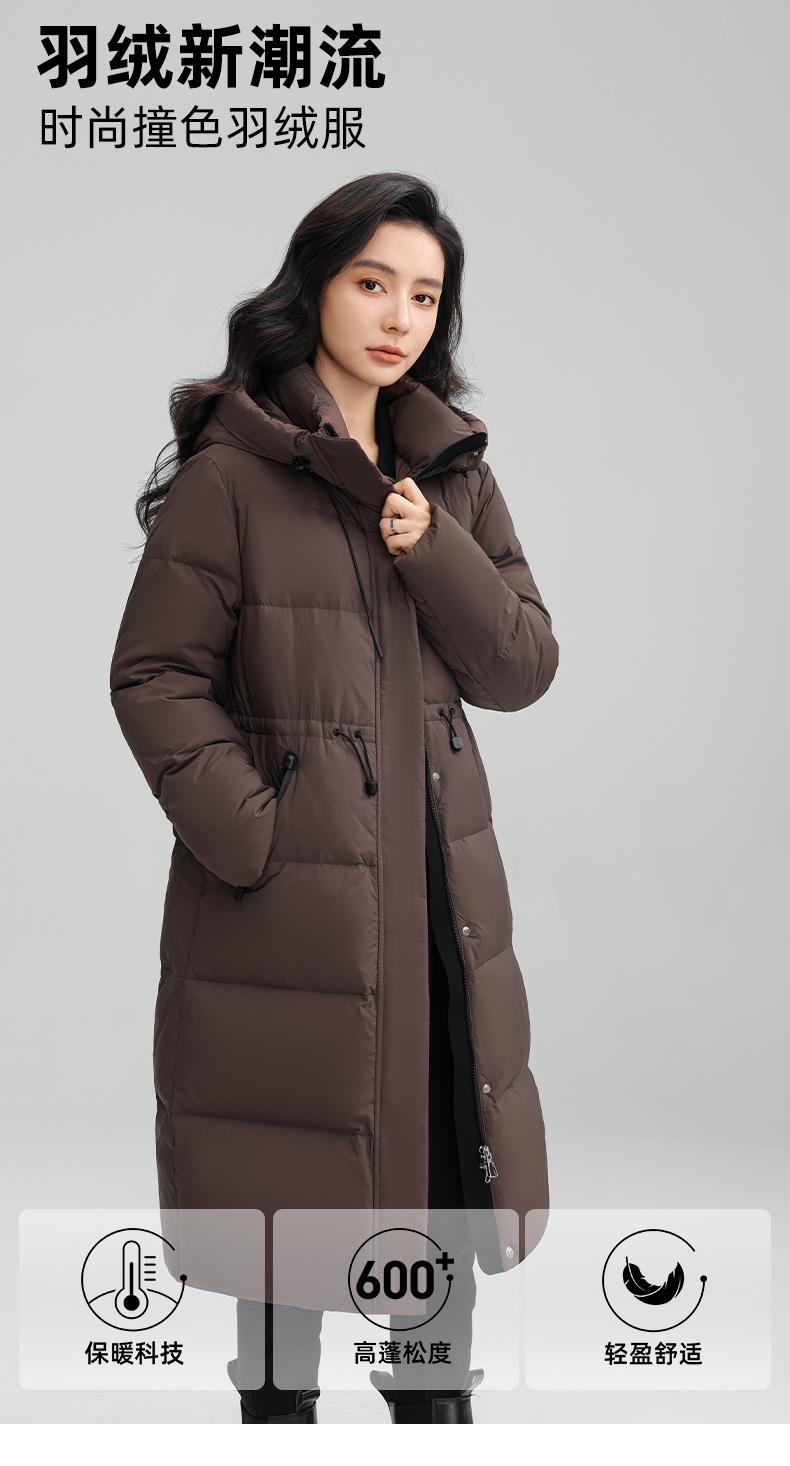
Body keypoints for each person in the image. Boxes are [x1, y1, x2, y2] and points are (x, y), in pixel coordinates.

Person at [109, 171, 559, 1424]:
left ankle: (432, 1412)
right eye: (373, 283)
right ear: (314, 287)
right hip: (288, 914)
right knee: (284, 1202)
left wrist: (435, 548)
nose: (398, 315)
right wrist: (258, 832)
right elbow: (152, 674)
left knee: (436, 1192)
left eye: (424, 294)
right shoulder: (234, 473)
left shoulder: (452, 474)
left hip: (434, 908)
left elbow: (521, 667)